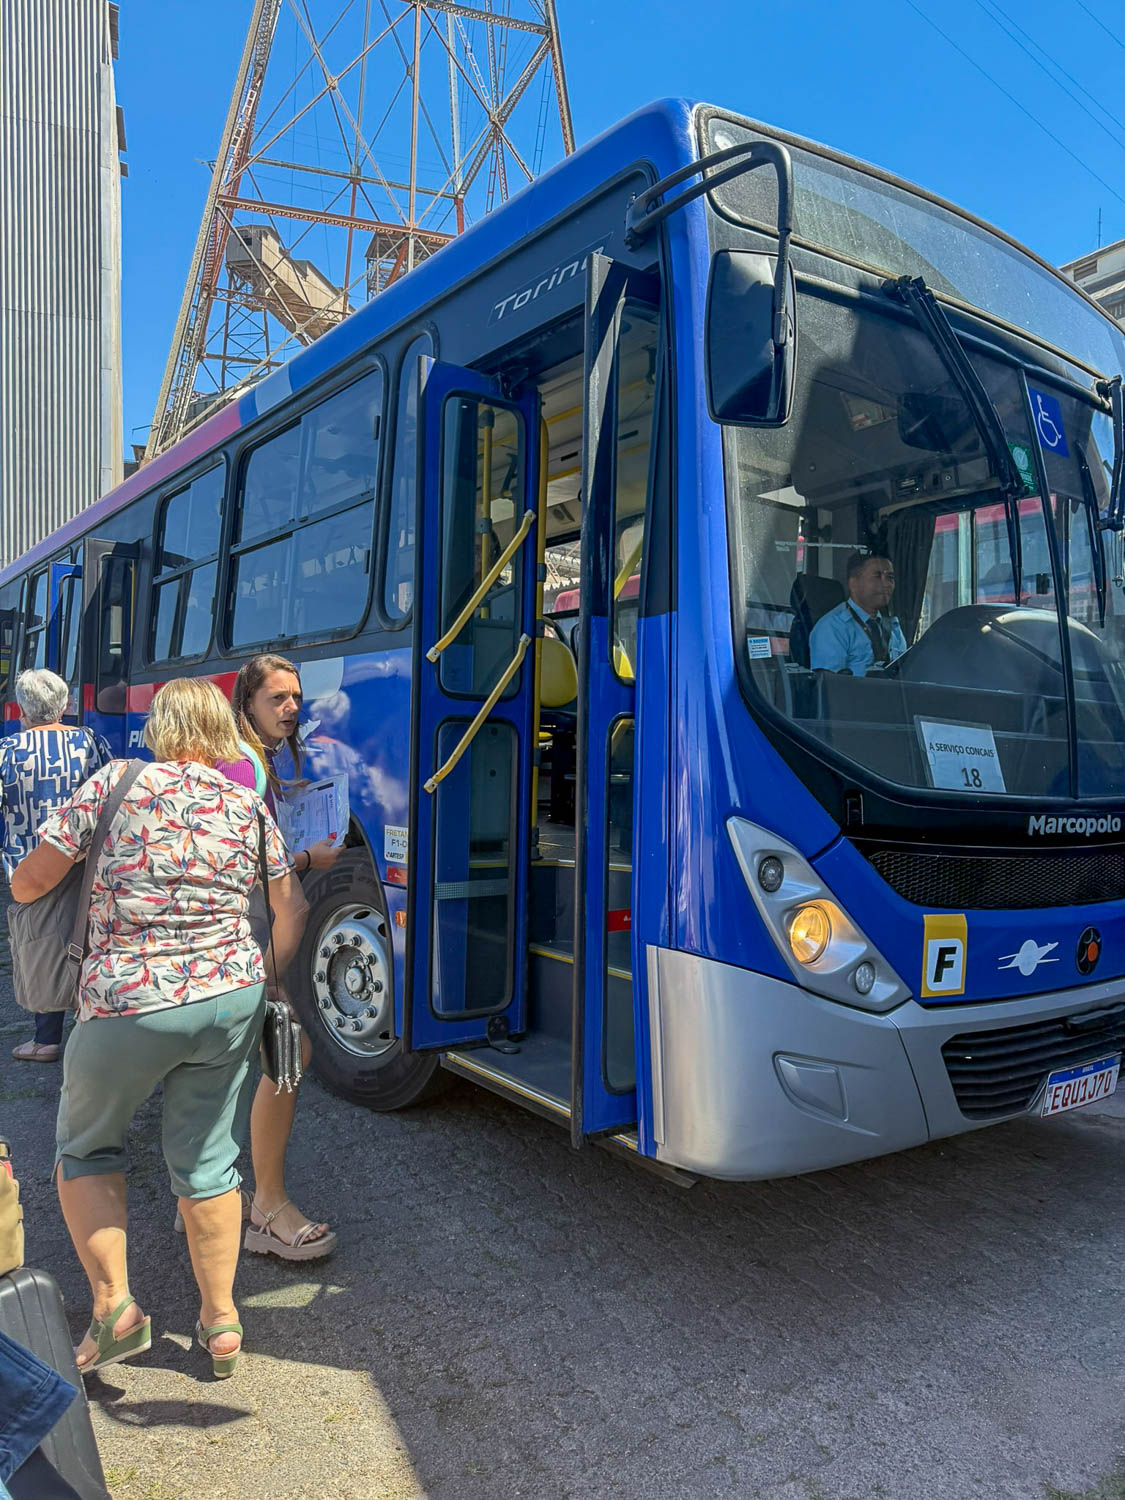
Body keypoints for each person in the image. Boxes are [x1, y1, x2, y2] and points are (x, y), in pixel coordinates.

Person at [10, 679, 307, 1378]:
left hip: (125, 1002)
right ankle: (222, 1320)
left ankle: (116, 1310)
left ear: (159, 727)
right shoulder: (244, 801)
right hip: (229, 999)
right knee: (208, 1164)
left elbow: (29, 883)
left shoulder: (115, 783)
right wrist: (261, 973)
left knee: (85, 1148)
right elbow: (288, 907)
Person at [229, 654, 341, 1261]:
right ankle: (266, 1207)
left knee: (219, 1067)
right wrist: (304, 863)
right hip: (246, 945)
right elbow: (240, 861)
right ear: (247, 703)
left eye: (296, 697)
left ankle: (203, 1197)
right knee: (288, 1056)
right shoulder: (245, 767)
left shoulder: (250, 759)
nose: (291, 707)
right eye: (277, 698)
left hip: (239, 945)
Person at [0, 670, 110, 1064]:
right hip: (85, 862)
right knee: (87, 939)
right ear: (65, 705)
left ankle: (45, 1038)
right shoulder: (90, 742)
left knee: (40, 948)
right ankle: (89, 1030)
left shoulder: (8, 751)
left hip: (31, 868)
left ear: (22, 709)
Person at [809, 551, 908, 677]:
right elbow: (831, 686)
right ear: (853, 584)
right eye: (877, 576)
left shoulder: (893, 627)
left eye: (890, 578)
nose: (886, 584)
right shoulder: (832, 627)